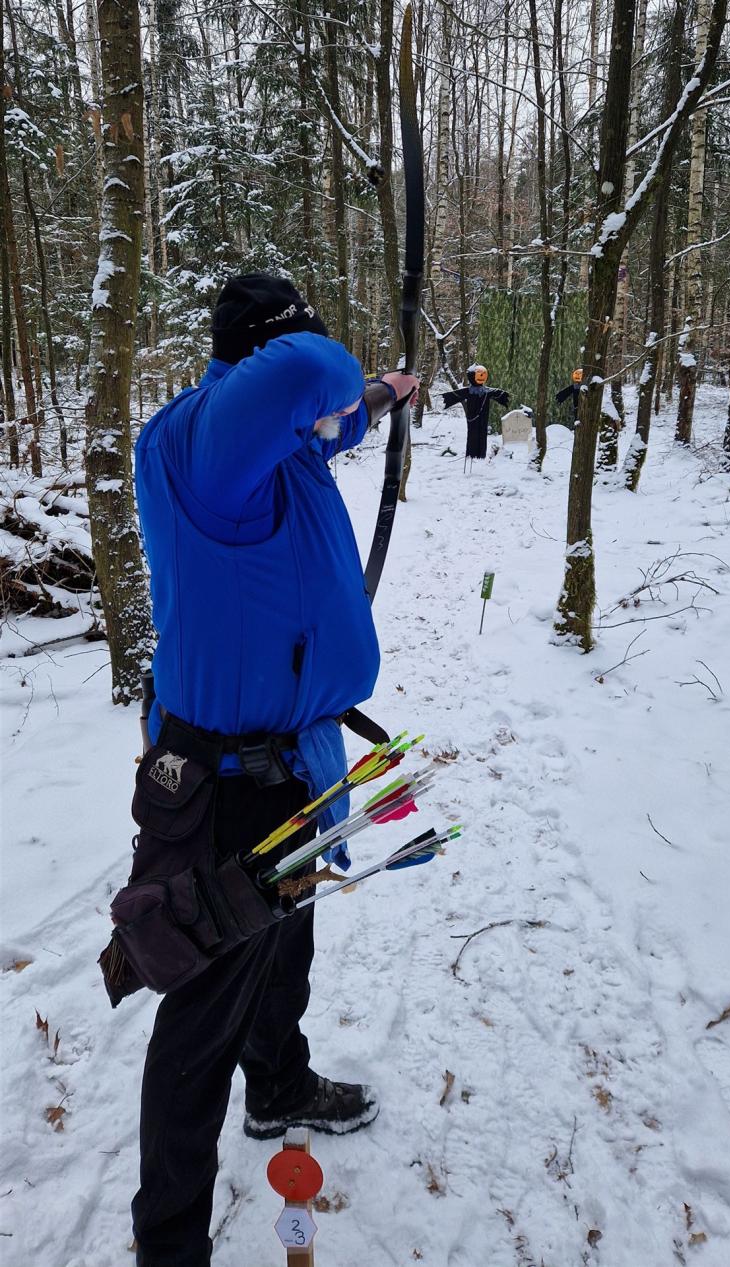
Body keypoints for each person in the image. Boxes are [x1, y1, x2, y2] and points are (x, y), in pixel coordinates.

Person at [128, 272, 418, 1267]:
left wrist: (379, 396)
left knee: (284, 947)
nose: (325, 417)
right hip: (224, 790)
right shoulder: (203, 445)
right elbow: (307, 375)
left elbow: (328, 413)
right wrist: (341, 370)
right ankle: (169, 1244)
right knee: (200, 1020)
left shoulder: (272, 446)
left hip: (291, 765)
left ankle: (280, 1085)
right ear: (255, 359)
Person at [442, 364, 509, 466]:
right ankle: (471, 454)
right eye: (479, 374)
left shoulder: (487, 391)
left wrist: (506, 397)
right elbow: (455, 395)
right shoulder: (469, 391)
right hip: (472, 419)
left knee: (482, 435)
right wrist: (444, 399)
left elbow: (499, 394)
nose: (481, 376)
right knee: (472, 435)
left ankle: (480, 454)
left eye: (483, 374)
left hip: (483, 418)